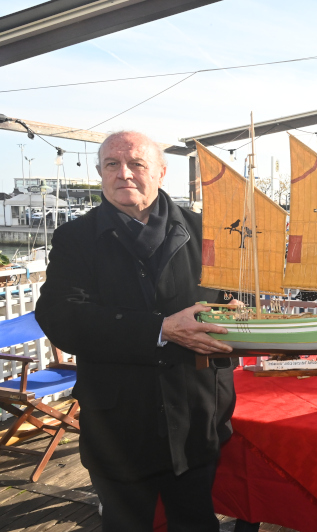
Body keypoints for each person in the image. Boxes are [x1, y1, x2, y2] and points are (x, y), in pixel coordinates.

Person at [35, 131, 236, 532]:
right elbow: (59, 316)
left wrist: (238, 314)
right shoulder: (75, 239)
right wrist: (160, 329)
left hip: (198, 416)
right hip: (118, 425)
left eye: (136, 164)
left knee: (196, 523)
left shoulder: (208, 232)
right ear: (100, 173)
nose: (123, 174)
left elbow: (234, 301)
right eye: (112, 165)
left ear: (161, 172)